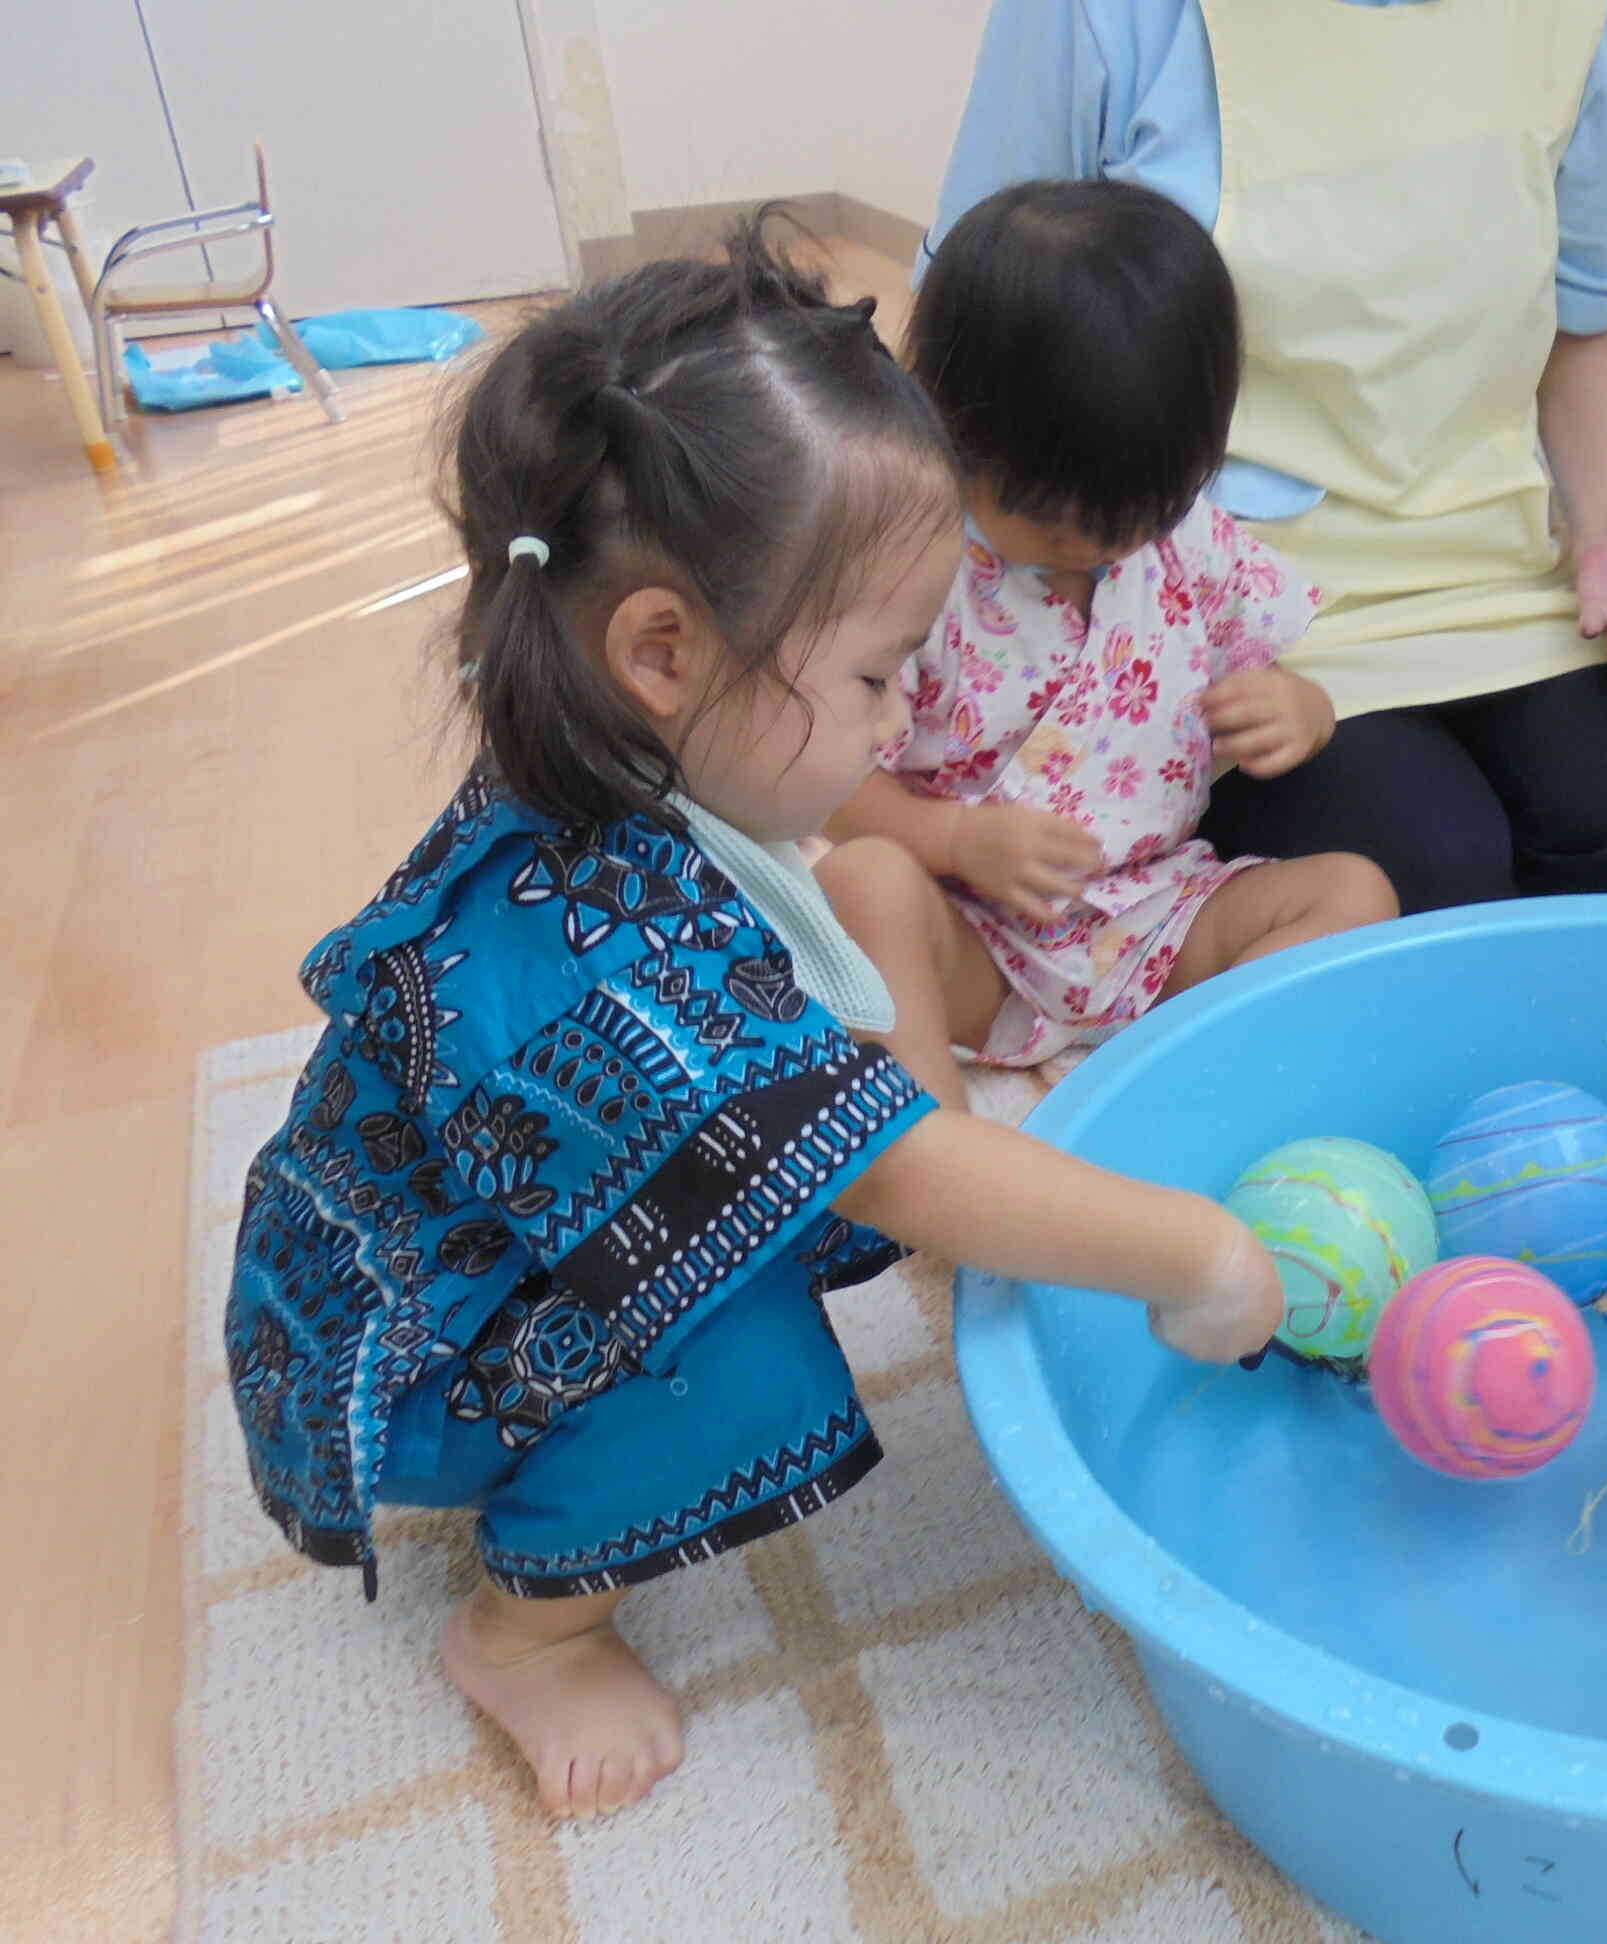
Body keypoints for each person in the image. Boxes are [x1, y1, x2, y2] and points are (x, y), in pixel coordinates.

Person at [223, 225, 1283, 1822]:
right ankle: (526, 1626)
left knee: (851, 943)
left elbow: (829, 980)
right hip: (413, 1374)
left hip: (430, 1259)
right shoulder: (599, 958)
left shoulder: (594, 766)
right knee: (758, 1369)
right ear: (662, 649)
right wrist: (1200, 1254)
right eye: (877, 673)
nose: (910, 716)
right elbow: (898, 1177)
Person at [922, 0, 1607, 915]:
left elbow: (1587, 318)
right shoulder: (1106, 17)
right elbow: (982, 323)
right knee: (1429, 869)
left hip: (1490, 569)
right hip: (1212, 591)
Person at [821, 180, 1396, 1108]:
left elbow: (1264, 658)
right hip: (978, 942)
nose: (1098, 549)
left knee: (1354, 893)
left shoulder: (1182, 536)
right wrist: (956, 838)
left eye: (1140, 515)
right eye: (1050, 522)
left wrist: (1304, 709)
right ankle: (944, 1157)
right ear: (950, 429)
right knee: (865, 886)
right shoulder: (909, 570)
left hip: (1155, 919)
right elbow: (837, 783)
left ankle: (1195, 1096)